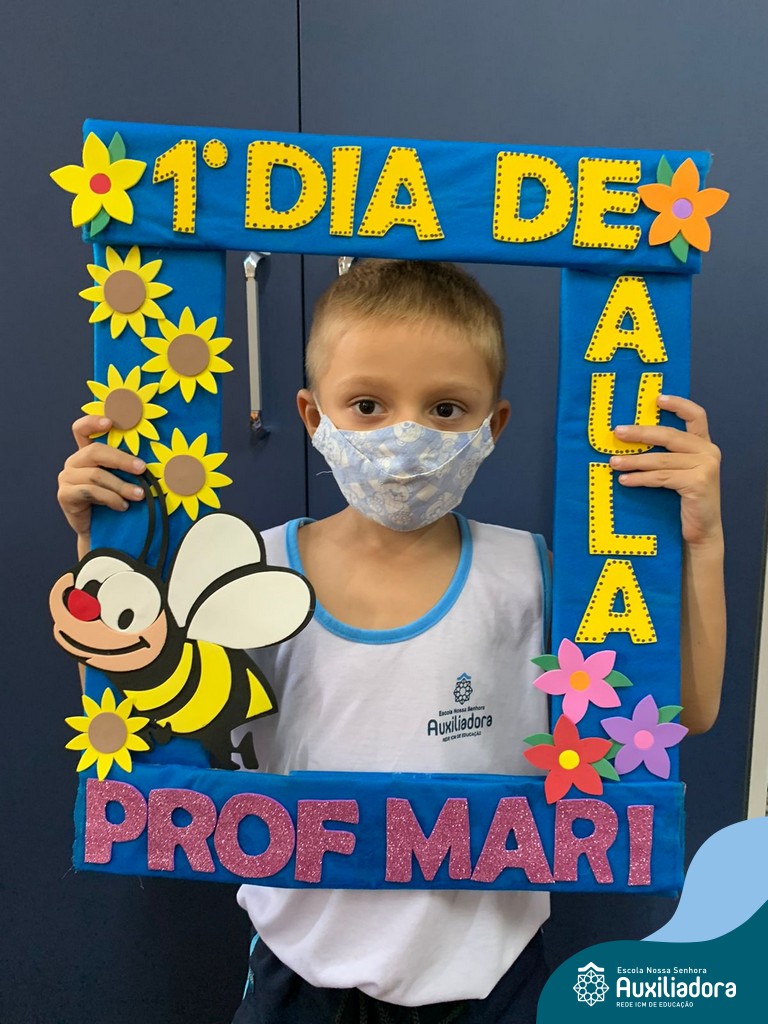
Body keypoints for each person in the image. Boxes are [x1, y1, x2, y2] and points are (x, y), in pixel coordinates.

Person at [57, 260, 725, 1023]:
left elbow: (686, 710)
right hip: (301, 972)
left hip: (490, 979)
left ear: (493, 425)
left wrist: (703, 544)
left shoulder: (537, 578)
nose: (406, 436)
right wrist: (104, 547)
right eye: (368, 405)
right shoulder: (248, 573)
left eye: (445, 408)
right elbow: (141, 722)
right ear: (313, 416)